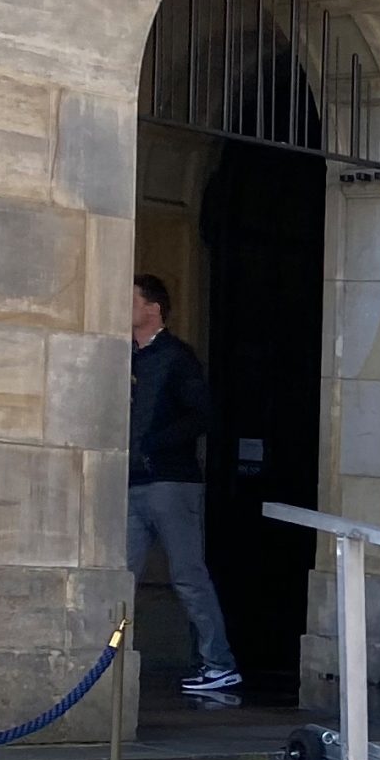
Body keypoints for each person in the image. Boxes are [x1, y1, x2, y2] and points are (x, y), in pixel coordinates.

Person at [128, 274, 241, 694]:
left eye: (131, 300)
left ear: (152, 308)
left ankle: (219, 662)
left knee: (188, 575)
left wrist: (152, 446)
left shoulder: (177, 357)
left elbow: (201, 416)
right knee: (120, 576)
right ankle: (104, 663)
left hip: (171, 481)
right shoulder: (125, 356)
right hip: (133, 482)